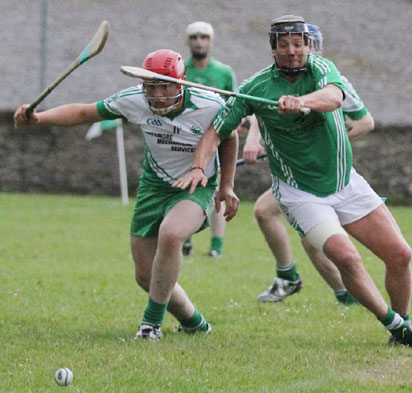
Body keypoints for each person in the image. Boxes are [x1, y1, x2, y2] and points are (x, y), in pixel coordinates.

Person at [173, 16, 412, 350]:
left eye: (298, 44)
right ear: (273, 48)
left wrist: (301, 102)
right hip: (300, 193)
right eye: (283, 45)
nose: (292, 51)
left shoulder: (321, 69)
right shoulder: (255, 88)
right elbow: (216, 131)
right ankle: (397, 326)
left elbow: (333, 98)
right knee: (346, 257)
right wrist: (201, 166)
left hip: (345, 183)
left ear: (308, 46)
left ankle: (401, 329)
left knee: (400, 254)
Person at [14, 49, 239, 340]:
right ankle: (194, 322)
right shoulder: (134, 99)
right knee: (146, 276)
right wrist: (40, 118)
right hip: (154, 186)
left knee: (172, 235)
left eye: (163, 85)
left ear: (180, 83)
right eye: (150, 86)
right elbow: (85, 112)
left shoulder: (210, 104)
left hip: (198, 185)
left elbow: (229, 136)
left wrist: (226, 186)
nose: (156, 94)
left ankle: (150, 325)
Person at [243, 23, 375, 304]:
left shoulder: (333, 80)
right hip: (297, 174)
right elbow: (260, 110)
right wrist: (253, 139)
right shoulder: (279, 79)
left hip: (327, 173)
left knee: (300, 232)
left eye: (304, 45)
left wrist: (323, 143)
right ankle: (319, 285)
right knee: (267, 213)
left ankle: (338, 291)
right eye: (288, 45)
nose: (295, 53)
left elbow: (365, 122)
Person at [182, 21, 237, 258]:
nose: (199, 41)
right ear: (188, 41)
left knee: (218, 189)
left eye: (204, 37)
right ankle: (184, 238)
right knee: (184, 188)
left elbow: (233, 105)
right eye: (194, 37)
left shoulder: (223, 73)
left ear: (211, 41)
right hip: (186, 139)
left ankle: (216, 246)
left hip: (217, 139)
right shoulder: (181, 70)